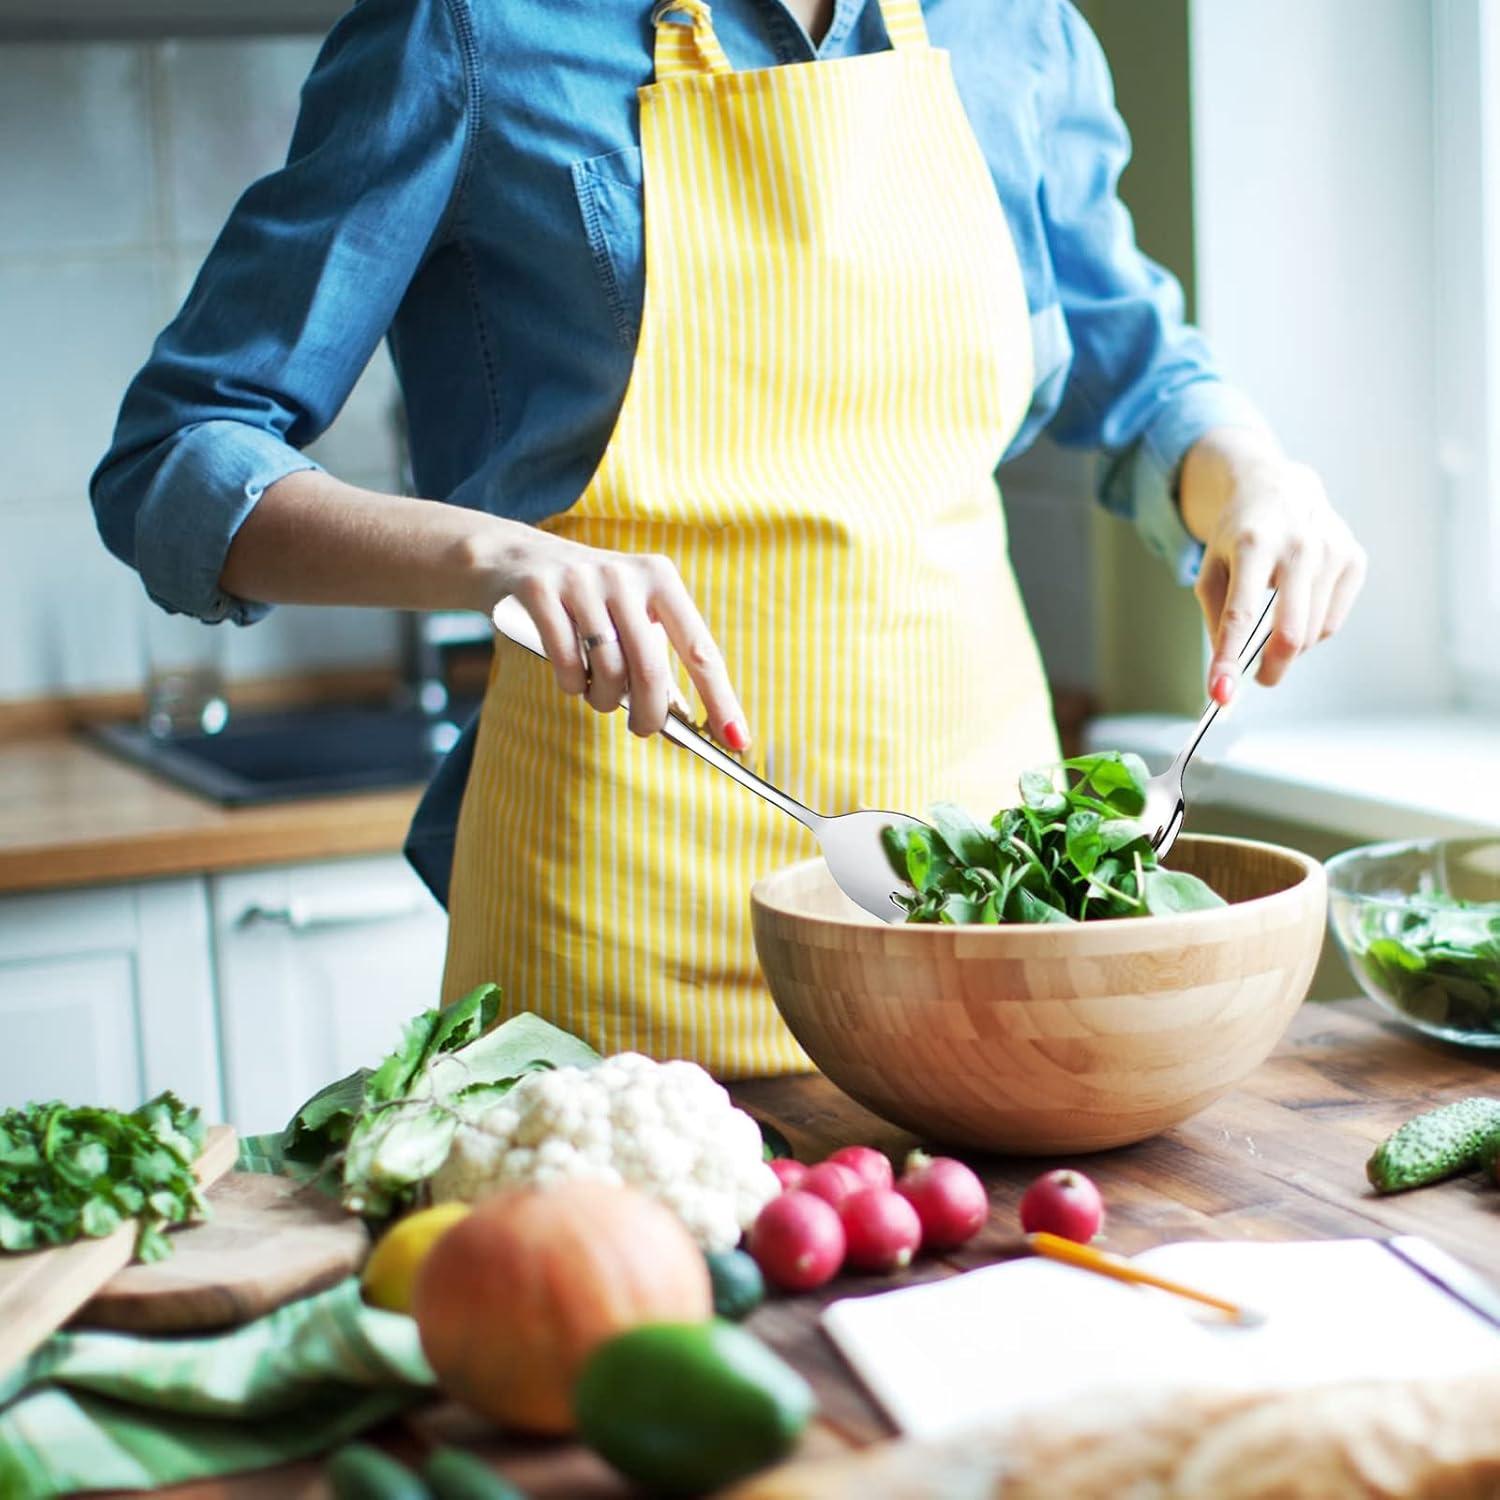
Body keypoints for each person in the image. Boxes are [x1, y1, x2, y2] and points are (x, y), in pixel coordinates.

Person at [92, 0, 1365, 1076]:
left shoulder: (1010, 25)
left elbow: (1140, 374)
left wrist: (1252, 477)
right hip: (617, 927)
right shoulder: (470, 30)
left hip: (989, 913)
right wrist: (493, 557)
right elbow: (180, 455)